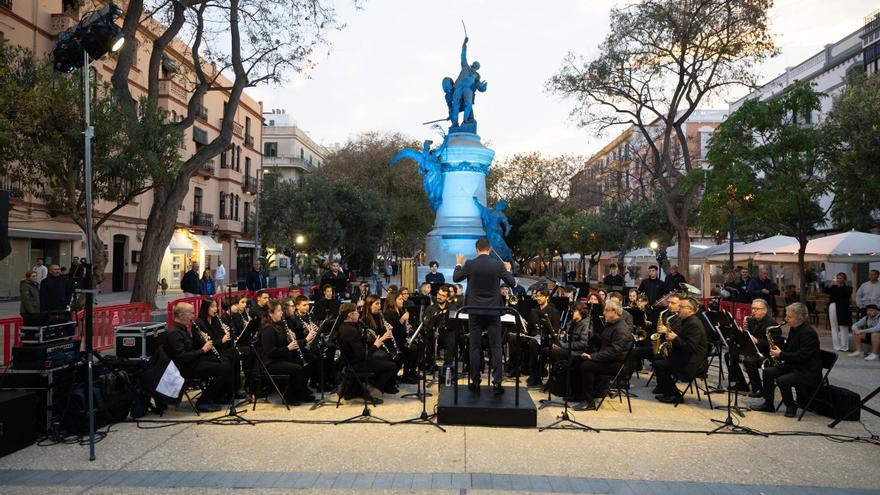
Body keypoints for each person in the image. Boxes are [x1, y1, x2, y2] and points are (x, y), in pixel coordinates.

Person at [453, 238, 516, 395]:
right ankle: (497, 383)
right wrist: (507, 270)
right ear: (490, 249)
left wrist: (459, 263)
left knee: (475, 347)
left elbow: (456, 278)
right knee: (496, 347)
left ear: (476, 249)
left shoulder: (470, 264)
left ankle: (475, 381)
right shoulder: (497, 264)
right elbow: (512, 283)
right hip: (493, 311)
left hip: (474, 310)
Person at [752, 303, 821, 417]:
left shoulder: (808, 333)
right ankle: (768, 404)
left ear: (800, 318)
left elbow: (803, 356)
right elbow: (790, 349)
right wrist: (778, 347)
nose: (785, 319)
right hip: (795, 365)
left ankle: (790, 405)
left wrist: (781, 354)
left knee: (782, 380)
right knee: (768, 371)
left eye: (789, 317)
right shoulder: (794, 329)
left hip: (807, 370)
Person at [165, 302, 232, 412]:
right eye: (191, 313)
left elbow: (190, 348)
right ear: (182, 316)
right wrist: (203, 350)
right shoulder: (174, 333)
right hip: (185, 368)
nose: (193, 316)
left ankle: (217, 396)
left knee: (225, 360)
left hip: (193, 361)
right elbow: (182, 357)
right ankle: (203, 402)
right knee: (223, 368)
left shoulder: (183, 329)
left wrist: (203, 340)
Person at [568, 300, 633, 411]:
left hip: (616, 364)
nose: (603, 313)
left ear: (615, 312)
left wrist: (592, 357)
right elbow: (603, 343)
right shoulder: (611, 324)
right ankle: (578, 395)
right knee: (576, 359)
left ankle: (589, 402)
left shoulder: (621, 329)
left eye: (606, 310)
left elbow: (613, 352)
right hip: (607, 359)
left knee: (587, 366)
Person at [336, 303, 398, 401]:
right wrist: (375, 345)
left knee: (383, 358)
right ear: (350, 315)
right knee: (392, 366)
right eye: (356, 312)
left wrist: (368, 338)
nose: (358, 314)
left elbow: (359, 345)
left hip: (353, 360)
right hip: (356, 363)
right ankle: (373, 391)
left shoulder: (347, 326)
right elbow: (362, 355)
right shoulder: (350, 330)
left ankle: (367, 386)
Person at [652, 298, 708, 404]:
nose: (678, 309)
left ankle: (675, 395)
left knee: (659, 364)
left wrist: (675, 338)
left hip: (691, 364)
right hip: (685, 358)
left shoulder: (693, 324)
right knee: (658, 358)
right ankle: (667, 391)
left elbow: (690, 347)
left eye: (681, 307)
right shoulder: (687, 320)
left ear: (690, 309)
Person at [259, 299, 315, 405]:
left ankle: (300, 391)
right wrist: (288, 347)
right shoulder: (268, 329)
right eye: (279, 311)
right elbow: (270, 352)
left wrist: (290, 337)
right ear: (271, 313)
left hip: (281, 357)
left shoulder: (279, 325)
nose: (281, 313)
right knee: (298, 368)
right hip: (271, 363)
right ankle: (289, 396)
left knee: (307, 361)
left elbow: (283, 343)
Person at [727, 298, 781, 396]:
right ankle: (741, 384)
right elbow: (747, 337)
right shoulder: (751, 320)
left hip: (766, 354)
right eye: (752, 308)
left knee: (749, 361)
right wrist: (743, 332)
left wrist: (756, 340)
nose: (753, 311)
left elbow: (775, 345)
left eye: (756, 309)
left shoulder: (772, 324)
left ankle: (758, 389)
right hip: (753, 350)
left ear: (765, 310)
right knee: (729, 354)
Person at [360, 295, 401, 393]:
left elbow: (383, 333)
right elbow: (367, 340)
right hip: (372, 348)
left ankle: (390, 380)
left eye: (380, 304)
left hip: (382, 345)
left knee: (400, 356)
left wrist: (389, 329)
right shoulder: (364, 320)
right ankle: (381, 384)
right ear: (369, 306)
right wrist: (382, 338)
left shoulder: (380, 316)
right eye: (377, 304)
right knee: (386, 357)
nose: (379, 306)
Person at [525, 288, 561, 388]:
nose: (538, 298)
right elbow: (529, 328)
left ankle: (535, 374)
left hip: (547, 340)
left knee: (534, 345)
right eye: (537, 296)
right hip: (534, 338)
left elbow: (555, 330)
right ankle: (534, 373)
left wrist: (554, 341)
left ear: (547, 297)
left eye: (541, 296)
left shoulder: (553, 312)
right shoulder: (533, 311)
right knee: (527, 342)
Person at [383, 291, 419, 383]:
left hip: (401, 338)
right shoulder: (388, 313)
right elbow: (394, 331)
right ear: (393, 301)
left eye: (402, 299)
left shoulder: (401, 310)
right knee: (412, 349)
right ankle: (406, 376)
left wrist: (407, 327)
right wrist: (402, 319)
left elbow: (401, 328)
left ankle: (411, 372)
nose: (402, 301)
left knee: (418, 345)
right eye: (399, 299)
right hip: (394, 341)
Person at [824, 272, 853, 352]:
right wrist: (831, 283)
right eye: (838, 278)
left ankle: (844, 346)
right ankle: (836, 346)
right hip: (833, 306)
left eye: (841, 278)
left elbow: (845, 294)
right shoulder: (833, 287)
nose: (839, 280)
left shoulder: (848, 288)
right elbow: (825, 290)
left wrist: (839, 286)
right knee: (834, 327)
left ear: (845, 279)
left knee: (844, 327)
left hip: (843, 308)